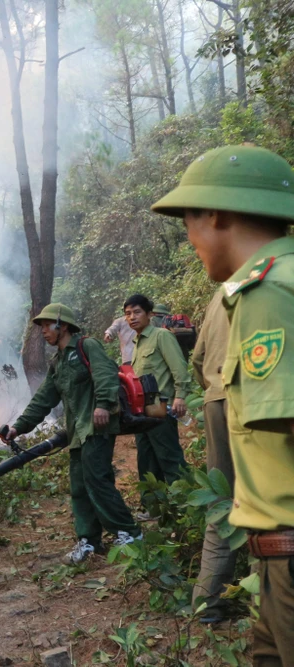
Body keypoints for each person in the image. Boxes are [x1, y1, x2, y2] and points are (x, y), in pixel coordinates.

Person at [151, 144, 294, 666]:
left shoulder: (268, 293)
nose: (189, 239)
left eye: (188, 219)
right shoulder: (264, 285)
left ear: (215, 214)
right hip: (274, 558)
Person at [3, 303, 141, 564]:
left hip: (97, 427)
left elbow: (106, 375)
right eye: (41, 326)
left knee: (98, 480)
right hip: (76, 432)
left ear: (62, 325)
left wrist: (102, 404)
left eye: (46, 325)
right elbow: (43, 400)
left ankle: (129, 534)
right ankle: (89, 541)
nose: (43, 331)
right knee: (79, 486)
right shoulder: (59, 362)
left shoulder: (87, 347)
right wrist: (17, 427)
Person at [190, 291, 238, 623]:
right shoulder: (281, 275)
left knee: (222, 500)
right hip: (260, 401)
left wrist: (213, 389)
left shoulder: (221, 293)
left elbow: (198, 357)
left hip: (216, 400)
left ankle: (207, 606)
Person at [124, 293, 190, 518]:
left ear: (150, 314)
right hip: (142, 413)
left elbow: (179, 367)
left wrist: (180, 396)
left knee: (170, 458)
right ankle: (155, 509)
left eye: (137, 312)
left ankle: (185, 508)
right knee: (146, 461)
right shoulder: (136, 342)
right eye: (128, 314)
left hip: (161, 410)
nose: (132, 317)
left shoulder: (161, 336)